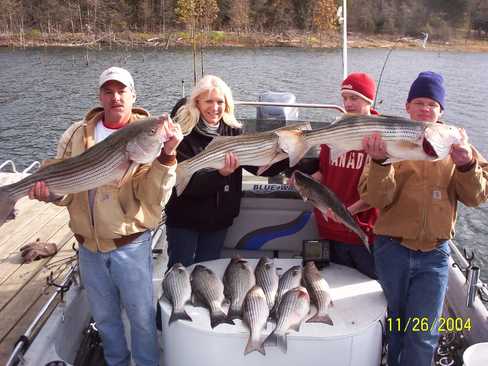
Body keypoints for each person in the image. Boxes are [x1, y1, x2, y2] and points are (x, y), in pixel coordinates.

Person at [28, 66, 183, 366]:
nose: (115, 97)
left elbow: (155, 199)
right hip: (88, 247)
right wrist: (51, 194)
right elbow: (66, 190)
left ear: (133, 95)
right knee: (106, 320)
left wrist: (167, 156)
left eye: (122, 90)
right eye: (108, 91)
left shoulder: (146, 136)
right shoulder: (76, 133)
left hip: (131, 245)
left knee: (141, 319)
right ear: (100, 96)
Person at [359, 71, 488, 366]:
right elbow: (377, 198)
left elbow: (477, 197)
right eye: (419, 102)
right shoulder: (389, 138)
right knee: (395, 321)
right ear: (407, 106)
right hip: (392, 248)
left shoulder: (457, 143)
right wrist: (380, 162)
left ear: (441, 110)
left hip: (436, 254)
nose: (425, 109)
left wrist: (467, 165)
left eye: (432, 104)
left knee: (423, 331)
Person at [165, 74, 287, 267]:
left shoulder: (234, 131)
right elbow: (185, 186)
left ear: (227, 103)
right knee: (179, 270)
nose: (215, 108)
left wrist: (286, 155)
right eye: (209, 101)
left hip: (218, 220)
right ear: (197, 102)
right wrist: (220, 175)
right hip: (184, 218)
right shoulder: (182, 134)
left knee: (207, 271)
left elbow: (259, 168)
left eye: (220, 102)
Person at [292, 72, 379, 278]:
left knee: (369, 292)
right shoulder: (334, 130)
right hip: (328, 228)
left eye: (354, 98)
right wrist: (305, 184)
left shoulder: (379, 136)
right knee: (335, 287)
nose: (348, 104)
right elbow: (324, 172)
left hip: (364, 232)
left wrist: (346, 213)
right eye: (345, 98)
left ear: (369, 100)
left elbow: (380, 189)